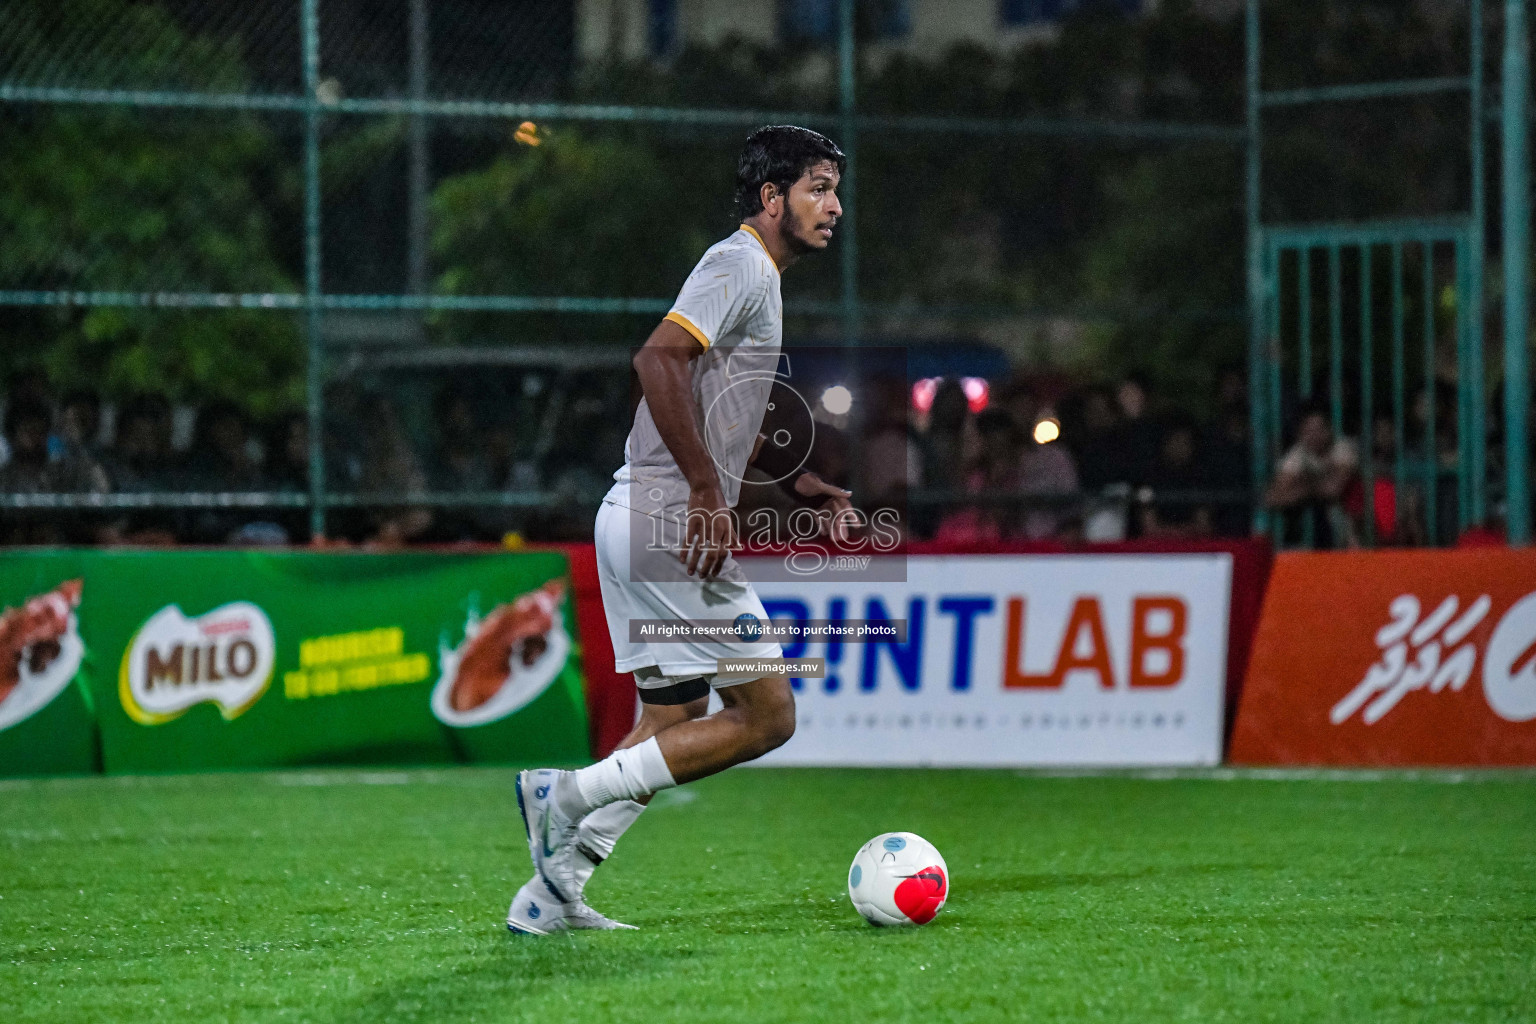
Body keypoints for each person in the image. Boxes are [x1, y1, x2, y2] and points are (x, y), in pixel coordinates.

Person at [506, 126, 852, 935]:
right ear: (772, 199)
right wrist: (704, 489)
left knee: (669, 719)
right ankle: (565, 792)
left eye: (836, 190)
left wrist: (795, 488)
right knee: (768, 716)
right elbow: (656, 360)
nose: (834, 206)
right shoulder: (738, 263)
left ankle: (552, 893)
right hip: (667, 521)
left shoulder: (758, 277)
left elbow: (716, 416)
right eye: (817, 188)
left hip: (637, 516)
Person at [1265, 404, 1359, 548]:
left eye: (1319, 429)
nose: (1315, 436)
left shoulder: (1343, 447)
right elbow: (1272, 497)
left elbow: (1333, 489)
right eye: (1308, 431)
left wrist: (1301, 486)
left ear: (1329, 430)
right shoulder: (1297, 454)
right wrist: (1310, 489)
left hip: (1352, 515)